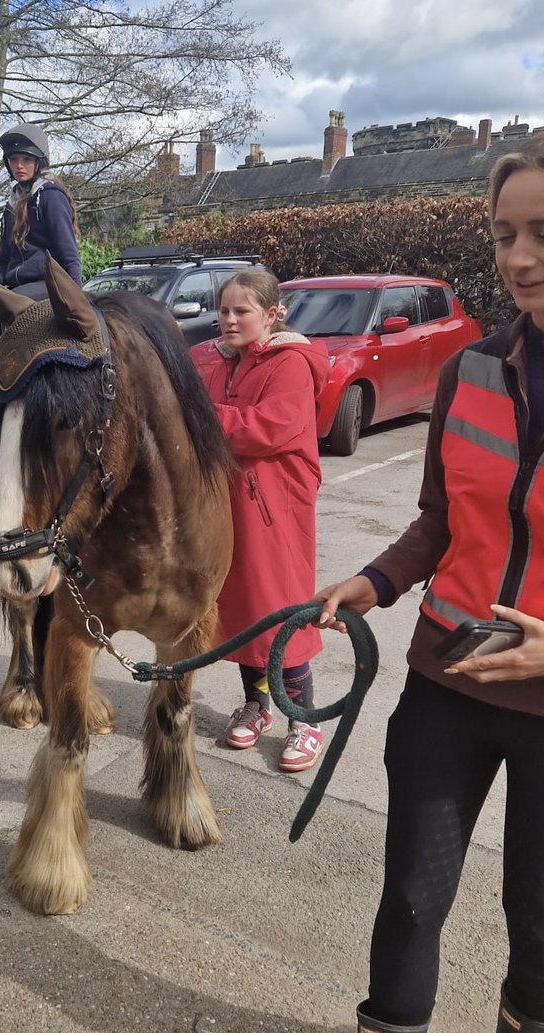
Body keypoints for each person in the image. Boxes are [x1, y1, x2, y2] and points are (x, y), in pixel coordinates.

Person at [308, 123, 544, 1033]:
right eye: (505, 233)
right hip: (446, 680)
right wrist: (368, 582)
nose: (518, 257)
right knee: (411, 896)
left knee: (535, 904)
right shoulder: (472, 369)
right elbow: (438, 521)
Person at [191, 269, 330, 772]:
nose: (228, 320)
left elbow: (266, 430)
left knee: (279, 608)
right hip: (225, 503)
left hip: (274, 507)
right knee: (240, 611)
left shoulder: (290, 363)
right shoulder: (209, 357)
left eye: (241, 311)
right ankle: (257, 703)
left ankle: (305, 718)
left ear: (273, 315)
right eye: (223, 310)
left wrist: (198, 415)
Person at [0, 122, 82, 296]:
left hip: (48, 286)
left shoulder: (50, 196)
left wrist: (78, 298)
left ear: (39, 162)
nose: (19, 166)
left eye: (26, 159)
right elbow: (2, 261)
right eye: (13, 159)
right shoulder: (11, 205)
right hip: (16, 289)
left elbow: (69, 256)